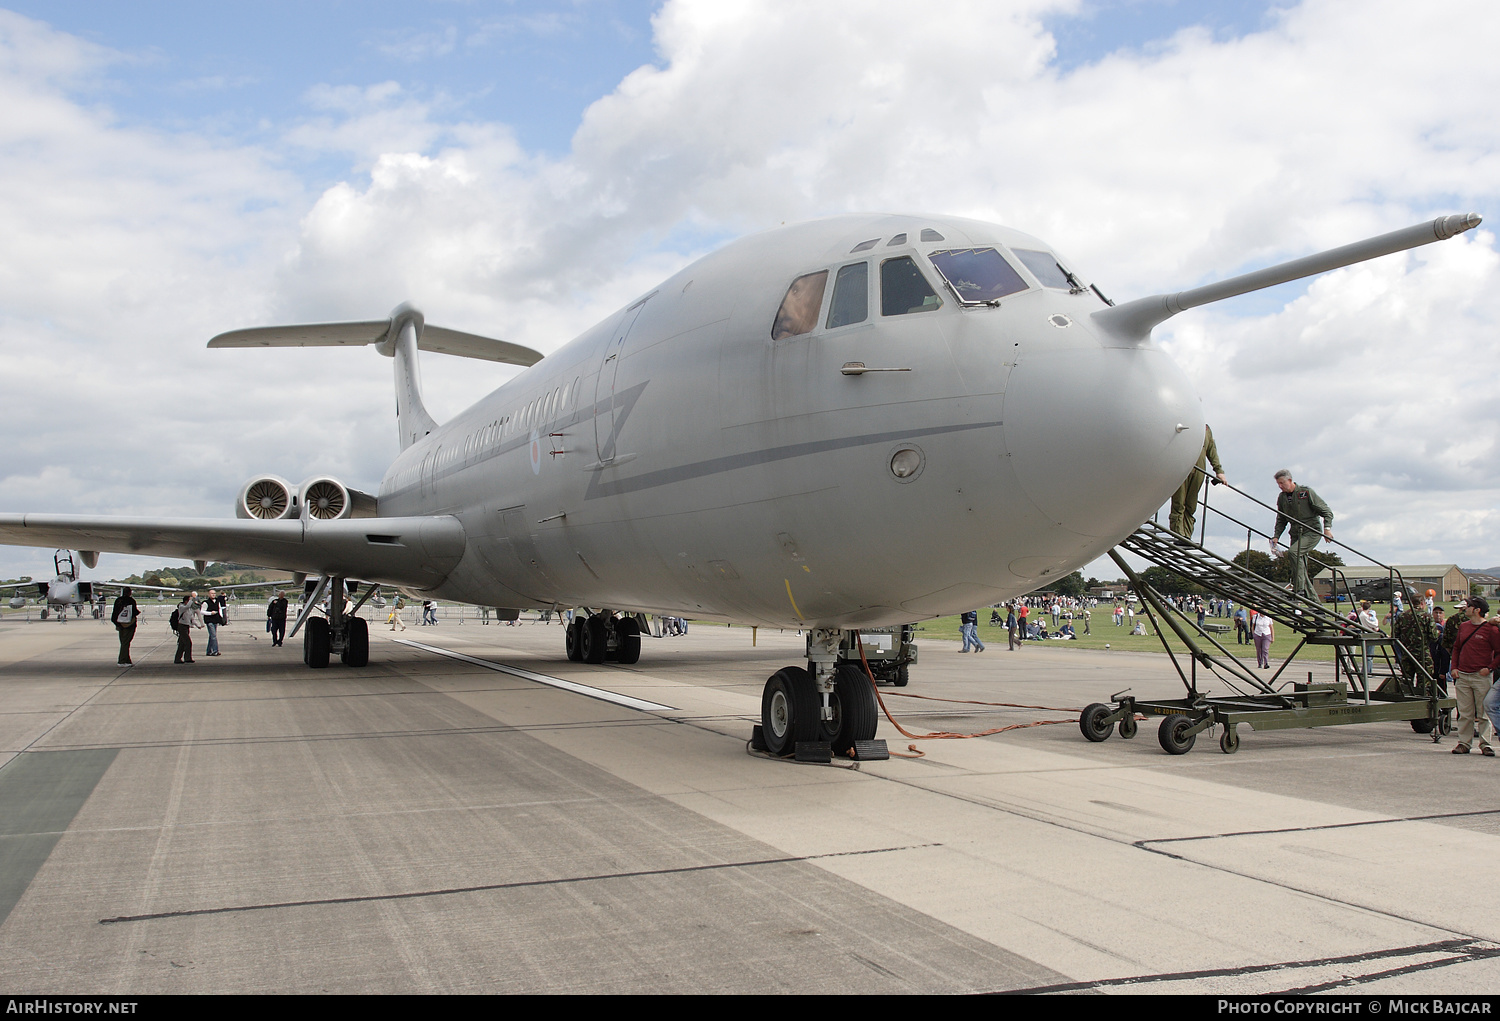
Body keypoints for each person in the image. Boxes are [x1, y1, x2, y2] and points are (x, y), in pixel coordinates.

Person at [1269, 469, 1334, 600]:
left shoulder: (1306, 493)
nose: (1280, 486)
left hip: (1311, 532)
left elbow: (1326, 511)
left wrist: (1327, 528)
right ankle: (1316, 606)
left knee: (1294, 553)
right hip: (1295, 534)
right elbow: (1281, 518)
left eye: (1282, 483)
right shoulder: (1282, 498)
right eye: (1278, 484)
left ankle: (1298, 589)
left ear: (1290, 480)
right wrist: (1276, 536)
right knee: (1299, 569)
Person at [1449, 596, 1499, 756]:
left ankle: (1485, 744)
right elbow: (1456, 648)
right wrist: (1454, 667)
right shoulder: (1464, 627)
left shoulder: (1491, 630)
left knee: (1483, 712)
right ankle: (1464, 743)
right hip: (1463, 675)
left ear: (1477, 610)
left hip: (1481, 676)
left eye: (1469, 606)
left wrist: (1490, 668)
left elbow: (1499, 652)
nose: (1466, 608)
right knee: (1465, 713)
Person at [1169, 424, 1226, 538]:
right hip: (1181, 467)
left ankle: (1187, 534)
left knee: (1191, 504)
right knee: (1179, 502)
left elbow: (1211, 449)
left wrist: (1219, 471)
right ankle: (1178, 533)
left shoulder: (1206, 429)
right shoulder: (1181, 424)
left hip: (1198, 470)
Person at [1391, 598, 1437, 688]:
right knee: (1424, 681)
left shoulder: (1402, 616)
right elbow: (1434, 636)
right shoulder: (1426, 616)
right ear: (1422, 603)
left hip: (1406, 652)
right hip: (1422, 654)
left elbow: (1395, 634)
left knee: (1406, 682)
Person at [111, 586, 140, 665]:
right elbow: (134, 612)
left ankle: (127, 659)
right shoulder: (131, 600)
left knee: (124, 642)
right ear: (129, 593)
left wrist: (116, 623)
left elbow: (115, 612)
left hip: (120, 624)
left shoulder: (118, 600)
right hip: (129, 624)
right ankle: (122, 660)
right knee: (126, 643)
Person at [171, 594, 197, 664]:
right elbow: (188, 606)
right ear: (186, 601)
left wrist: (198, 625)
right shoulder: (182, 607)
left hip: (186, 627)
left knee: (182, 644)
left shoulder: (189, 609)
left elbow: (192, 618)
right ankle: (187, 658)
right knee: (188, 643)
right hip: (181, 627)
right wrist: (192, 600)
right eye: (189, 600)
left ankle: (177, 659)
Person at [202, 588, 223, 656]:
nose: (213, 595)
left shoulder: (217, 601)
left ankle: (209, 651)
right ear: (209, 594)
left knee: (211, 636)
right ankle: (215, 650)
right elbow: (202, 611)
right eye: (212, 593)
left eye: (214, 593)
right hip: (209, 620)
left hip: (215, 620)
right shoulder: (205, 602)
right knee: (213, 636)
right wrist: (210, 613)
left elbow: (219, 609)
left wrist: (221, 617)